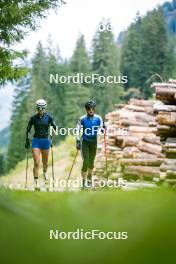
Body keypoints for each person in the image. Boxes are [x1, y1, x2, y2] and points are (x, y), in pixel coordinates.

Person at [25, 99, 57, 190]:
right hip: (36, 141)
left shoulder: (49, 117)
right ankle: (36, 182)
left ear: (45, 108)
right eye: (39, 108)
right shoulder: (33, 118)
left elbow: (55, 128)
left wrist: (53, 124)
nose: (40, 110)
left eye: (42, 108)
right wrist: (27, 140)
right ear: (37, 108)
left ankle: (45, 173)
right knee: (36, 162)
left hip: (45, 141)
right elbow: (28, 130)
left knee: (45, 162)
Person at [76, 100, 104, 189]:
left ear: (94, 109)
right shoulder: (82, 119)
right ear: (86, 109)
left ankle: (89, 179)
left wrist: (104, 129)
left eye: (92, 109)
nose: (91, 110)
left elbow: (101, 129)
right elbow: (77, 130)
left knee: (91, 163)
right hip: (85, 142)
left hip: (94, 142)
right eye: (89, 109)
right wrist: (77, 141)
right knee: (85, 162)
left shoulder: (98, 118)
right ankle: (84, 183)